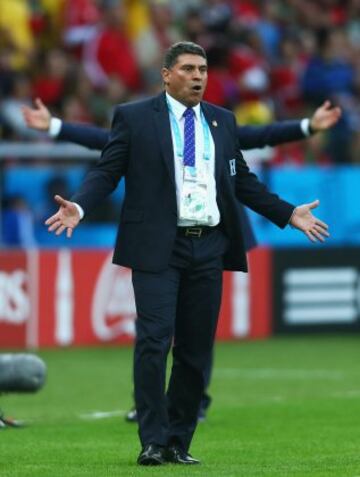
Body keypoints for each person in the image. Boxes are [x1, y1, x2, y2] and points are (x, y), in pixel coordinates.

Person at [43, 41, 329, 465]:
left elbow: (243, 183)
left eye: (204, 70)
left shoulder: (222, 122)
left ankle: (179, 441)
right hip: (158, 245)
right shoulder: (136, 118)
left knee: (195, 350)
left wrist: (288, 214)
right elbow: (108, 170)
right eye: (189, 69)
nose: (198, 77)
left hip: (208, 245)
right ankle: (152, 441)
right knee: (154, 341)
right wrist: (80, 206)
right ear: (166, 74)